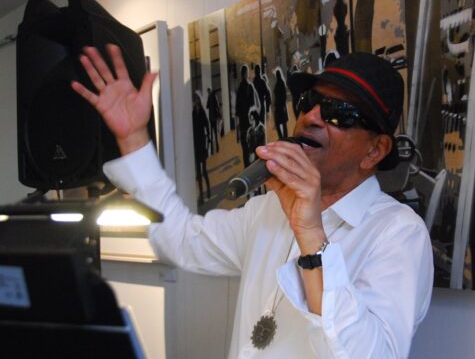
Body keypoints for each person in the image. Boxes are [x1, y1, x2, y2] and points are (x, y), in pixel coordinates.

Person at [72, 45, 433, 359]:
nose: (311, 117)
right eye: (309, 102)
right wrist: (134, 139)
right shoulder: (268, 209)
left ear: (374, 150)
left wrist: (310, 234)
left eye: (338, 113)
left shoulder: (397, 232)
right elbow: (182, 240)